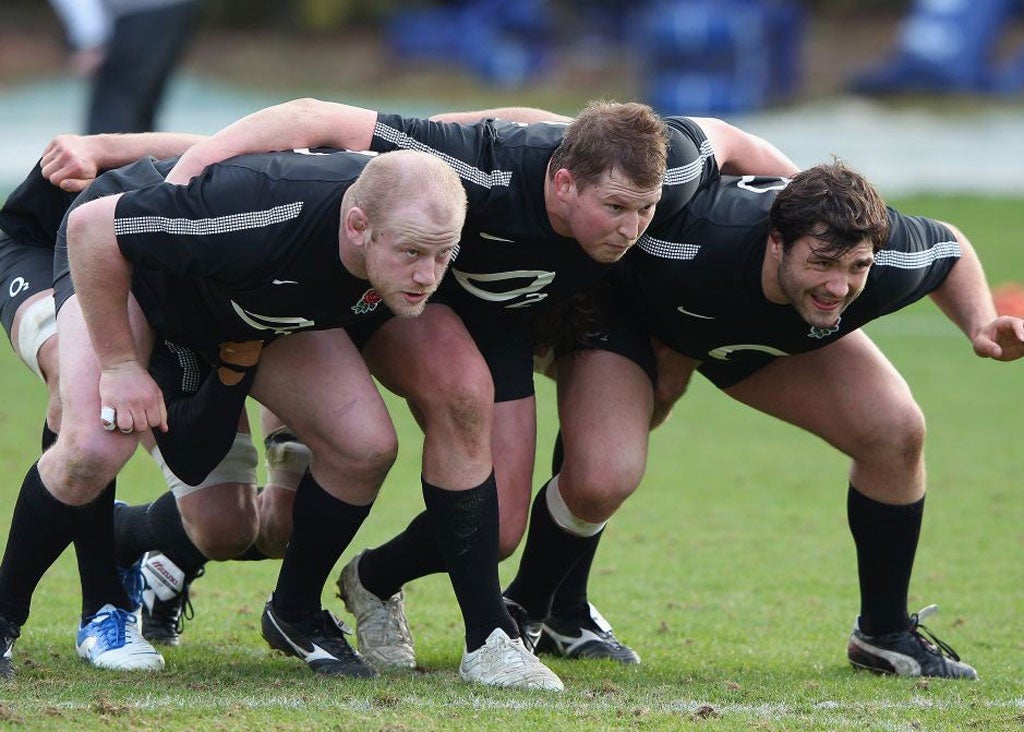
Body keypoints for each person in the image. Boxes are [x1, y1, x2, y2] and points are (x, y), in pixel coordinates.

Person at [166, 98, 797, 670]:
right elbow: (312, 119)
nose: (632, 227)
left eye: (645, 210)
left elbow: (729, 137)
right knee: (421, 415)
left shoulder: (668, 169)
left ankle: (373, 579)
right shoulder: (482, 164)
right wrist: (181, 177)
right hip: (406, 297)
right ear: (563, 181)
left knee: (497, 532)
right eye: (614, 209)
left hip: (504, 325)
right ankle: (485, 639)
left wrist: (804, 206)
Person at [504, 160, 1024, 678]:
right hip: (644, 318)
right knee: (604, 471)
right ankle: (535, 611)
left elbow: (951, 248)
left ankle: (884, 634)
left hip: (768, 332)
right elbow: (599, 218)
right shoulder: (690, 238)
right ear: (776, 241)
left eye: (856, 267)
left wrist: (980, 325)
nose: (839, 286)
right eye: (821, 262)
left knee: (895, 429)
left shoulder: (882, 252)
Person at [0, 145, 468, 682]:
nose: (428, 275)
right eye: (412, 253)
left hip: (238, 319)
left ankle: (295, 611)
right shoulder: (265, 209)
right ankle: (5, 616)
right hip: (132, 274)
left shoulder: (423, 203)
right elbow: (91, 228)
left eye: (442, 255)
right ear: (359, 226)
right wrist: (122, 365)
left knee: (363, 447)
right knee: (93, 446)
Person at [48, 0, 204, 133]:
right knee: (139, 111)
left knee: (111, 117)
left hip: (139, 11)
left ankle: (109, 167)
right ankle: (143, 165)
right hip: (176, 8)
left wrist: (90, 41)